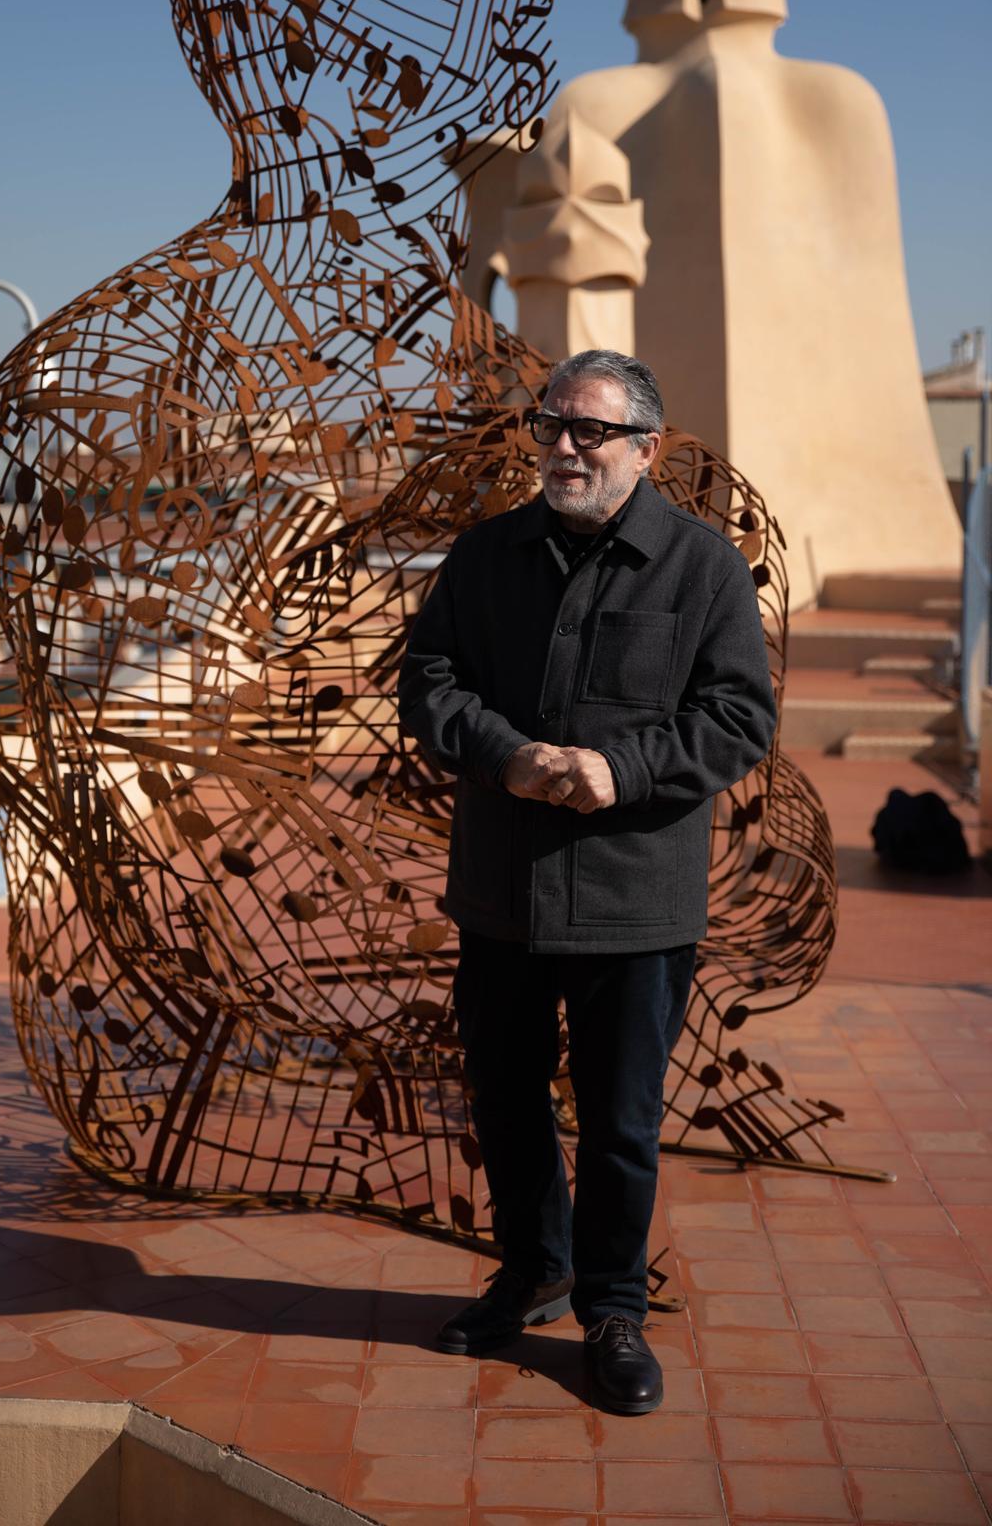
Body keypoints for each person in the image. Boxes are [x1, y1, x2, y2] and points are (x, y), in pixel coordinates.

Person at [397, 348, 777, 1414]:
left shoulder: (702, 569)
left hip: (634, 904)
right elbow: (427, 684)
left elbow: (741, 718)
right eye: (550, 426)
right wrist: (505, 752)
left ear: (646, 450)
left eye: (589, 431)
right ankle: (534, 1270)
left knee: (618, 1122)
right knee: (507, 1103)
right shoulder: (483, 557)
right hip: (502, 894)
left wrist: (623, 770)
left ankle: (615, 1309)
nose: (563, 447)